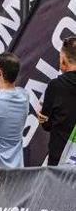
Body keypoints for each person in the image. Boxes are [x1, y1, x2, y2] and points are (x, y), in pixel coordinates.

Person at [39, 36, 76, 165]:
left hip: (59, 162)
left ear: (64, 61)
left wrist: (42, 118)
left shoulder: (55, 86)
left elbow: (46, 124)